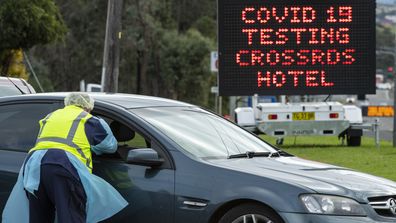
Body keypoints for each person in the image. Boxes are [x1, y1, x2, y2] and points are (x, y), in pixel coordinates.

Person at [2, 92, 128, 223]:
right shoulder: (88, 119)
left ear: (67, 103)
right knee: (70, 215)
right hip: (62, 165)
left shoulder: (50, 116)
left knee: (39, 217)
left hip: (34, 166)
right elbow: (109, 146)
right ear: (89, 107)